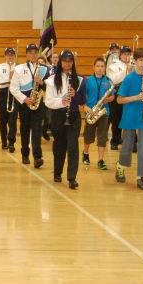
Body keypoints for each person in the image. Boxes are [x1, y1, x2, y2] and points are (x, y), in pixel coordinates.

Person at [115, 48, 143, 191]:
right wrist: (137, 97)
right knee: (127, 147)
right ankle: (121, 166)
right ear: (136, 61)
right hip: (130, 116)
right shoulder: (129, 78)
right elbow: (119, 100)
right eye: (141, 60)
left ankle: (141, 176)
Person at [45, 50, 87, 189]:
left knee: (73, 146)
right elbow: (48, 102)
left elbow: (82, 100)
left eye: (70, 61)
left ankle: (71, 178)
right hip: (58, 115)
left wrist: (75, 95)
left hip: (74, 116)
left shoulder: (80, 79)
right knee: (59, 146)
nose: (67, 64)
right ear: (60, 62)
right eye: (65, 61)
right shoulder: (52, 80)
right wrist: (61, 102)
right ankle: (57, 172)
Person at [9, 44, 49, 167]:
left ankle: (37, 157)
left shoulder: (45, 69)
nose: (33, 55)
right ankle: (25, 153)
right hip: (24, 104)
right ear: (26, 54)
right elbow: (13, 88)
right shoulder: (19, 69)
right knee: (25, 129)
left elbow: (50, 87)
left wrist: (42, 82)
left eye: (35, 53)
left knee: (37, 130)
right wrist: (25, 99)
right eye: (30, 53)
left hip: (38, 103)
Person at [82, 57, 114, 171]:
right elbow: (82, 96)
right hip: (91, 112)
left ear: (104, 68)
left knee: (102, 137)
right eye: (98, 66)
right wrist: (85, 107)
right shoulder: (87, 80)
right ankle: (85, 153)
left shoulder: (109, 81)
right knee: (88, 136)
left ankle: (100, 160)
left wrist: (108, 99)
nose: (100, 68)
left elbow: (113, 96)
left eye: (102, 66)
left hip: (104, 112)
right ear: (93, 67)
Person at [107, 46, 133, 150]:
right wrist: (126, 70)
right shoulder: (113, 66)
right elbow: (114, 80)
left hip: (131, 93)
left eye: (128, 54)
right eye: (124, 54)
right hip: (118, 92)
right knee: (116, 118)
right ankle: (115, 140)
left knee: (130, 117)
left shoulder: (134, 66)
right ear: (120, 55)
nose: (127, 56)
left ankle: (131, 141)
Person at [0, 47, 18, 152]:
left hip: (14, 94)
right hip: (3, 94)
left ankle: (11, 142)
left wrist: (14, 79)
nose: (10, 56)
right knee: (2, 120)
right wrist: (10, 78)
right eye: (8, 54)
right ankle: (4, 141)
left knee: (13, 120)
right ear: (5, 55)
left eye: (12, 54)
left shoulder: (19, 68)